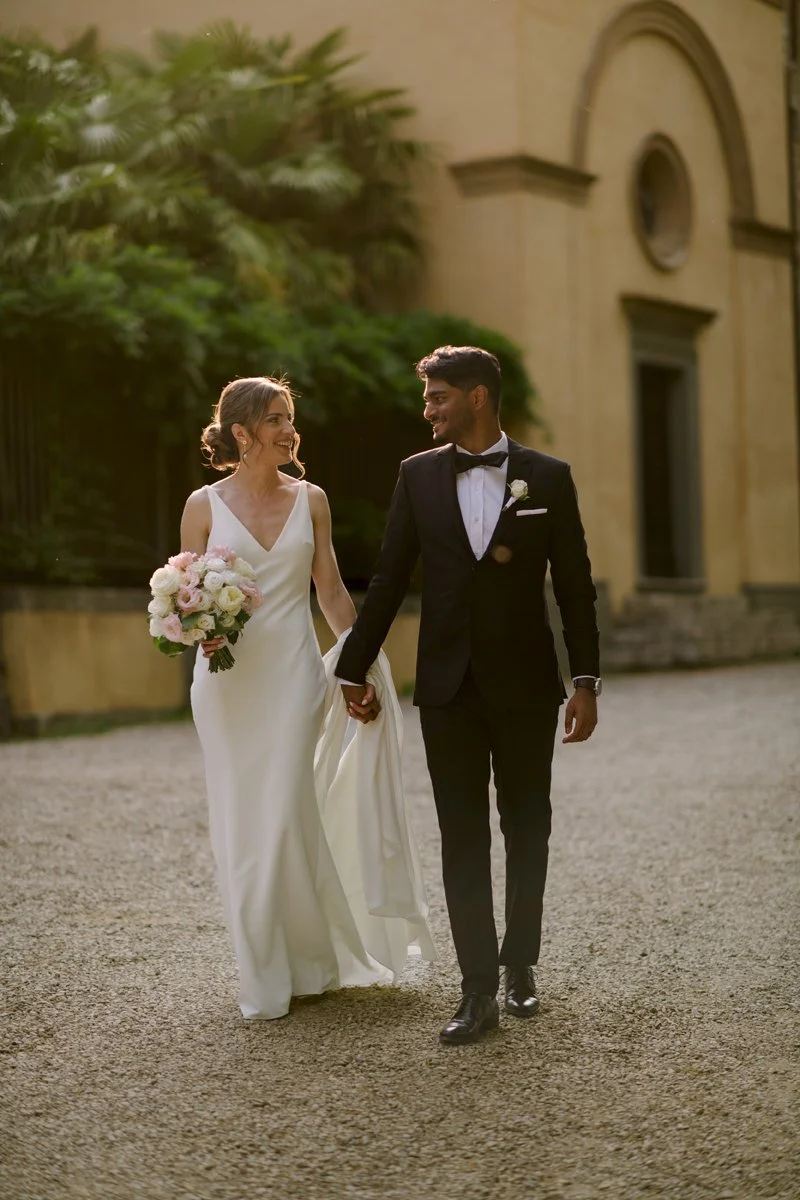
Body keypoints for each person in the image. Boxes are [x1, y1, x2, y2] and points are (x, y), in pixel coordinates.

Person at [336, 346, 600, 1045]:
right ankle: (477, 987)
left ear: (479, 397)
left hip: (526, 686)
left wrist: (586, 681)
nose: (428, 409)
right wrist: (351, 668)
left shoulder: (549, 477)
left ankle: (522, 965)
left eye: (439, 396)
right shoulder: (417, 476)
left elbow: (574, 585)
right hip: (447, 687)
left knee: (528, 824)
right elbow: (389, 579)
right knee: (461, 835)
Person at [181, 376, 433, 1020]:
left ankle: (303, 965)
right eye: (276, 419)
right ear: (241, 434)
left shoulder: (311, 499)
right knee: (243, 821)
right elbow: (185, 594)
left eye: (291, 417)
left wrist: (360, 662)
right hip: (227, 687)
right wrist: (194, 629)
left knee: (285, 814)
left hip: (293, 680)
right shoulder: (203, 505)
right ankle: (275, 967)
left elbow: (330, 592)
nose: (290, 430)